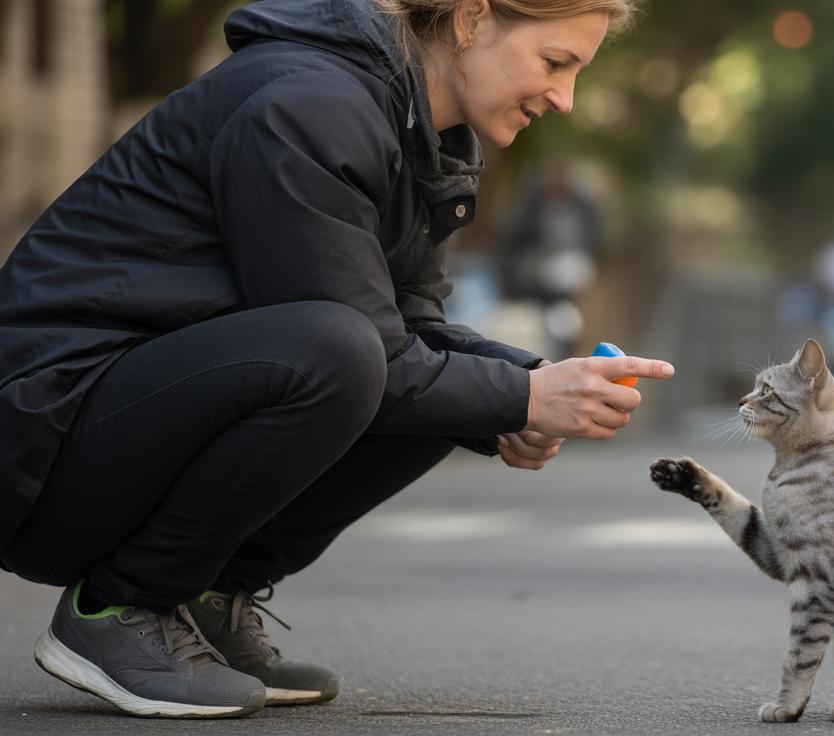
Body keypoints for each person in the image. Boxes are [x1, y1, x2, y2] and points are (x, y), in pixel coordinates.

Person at [0, 0, 666, 719]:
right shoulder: (310, 104)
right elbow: (359, 348)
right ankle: (120, 606)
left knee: (455, 380)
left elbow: (413, 331)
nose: (565, 99)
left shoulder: (423, 138)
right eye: (555, 62)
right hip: (43, 444)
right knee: (341, 355)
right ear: (473, 20)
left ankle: (207, 594)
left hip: (115, 430)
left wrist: (525, 386)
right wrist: (520, 398)